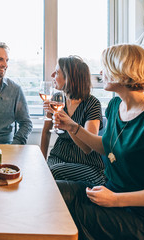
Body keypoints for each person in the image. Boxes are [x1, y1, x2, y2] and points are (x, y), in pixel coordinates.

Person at [55, 44, 144, 239]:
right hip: (111, 192)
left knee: (71, 215)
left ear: (122, 71)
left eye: (106, 67)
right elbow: (106, 146)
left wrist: (116, 200)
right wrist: (71, 126)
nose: (101, 72)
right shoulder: (115, 106)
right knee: (53, 192)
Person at [40, 56, 105, 185]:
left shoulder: (92, 104)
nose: (52, 75)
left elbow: (87, 148)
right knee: (41, 173)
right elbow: (46, 131)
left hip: (86, 164)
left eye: (57, 72)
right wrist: (41, 160)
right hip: (58, 157)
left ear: (69, 78)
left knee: (53, 172)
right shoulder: (57, 98)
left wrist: (68, 123)